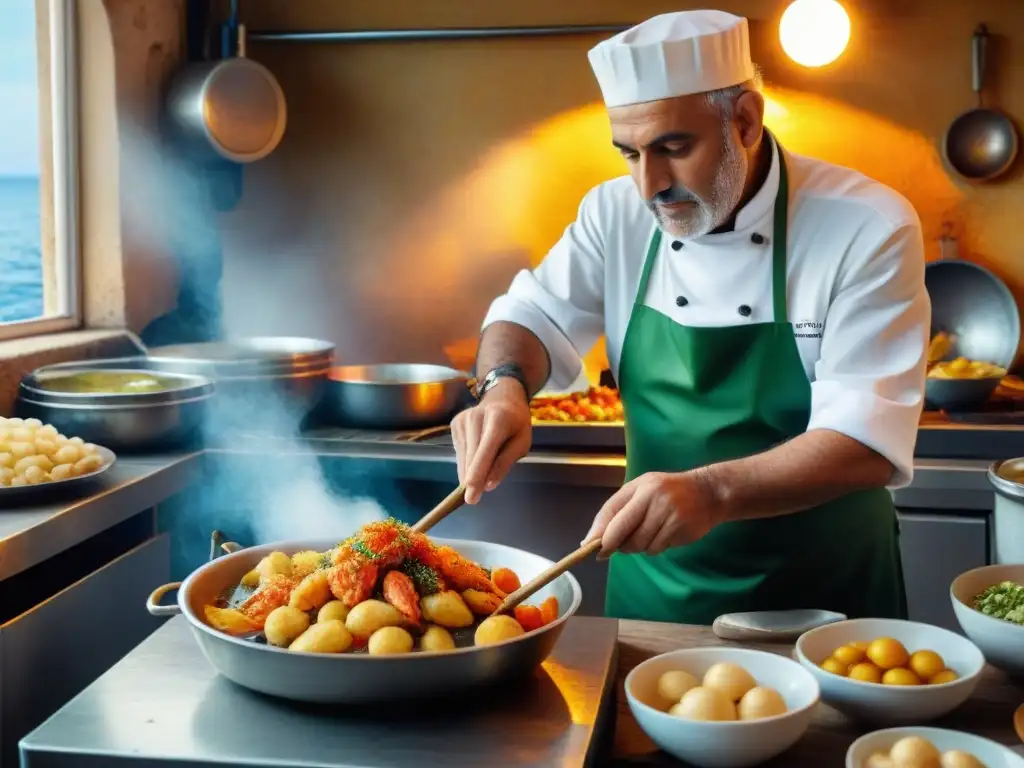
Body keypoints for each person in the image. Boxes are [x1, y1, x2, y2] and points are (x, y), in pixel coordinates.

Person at [452, 10, 930, 624]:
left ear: (747, 121)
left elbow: (865, 441)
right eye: (629, 154)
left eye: (674, 148)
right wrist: (502, 389)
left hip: (827, 607)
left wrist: (711, 491)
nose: (650, 184)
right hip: (656, 599)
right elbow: (531, 314)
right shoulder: (614, 213)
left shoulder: (867, 225)